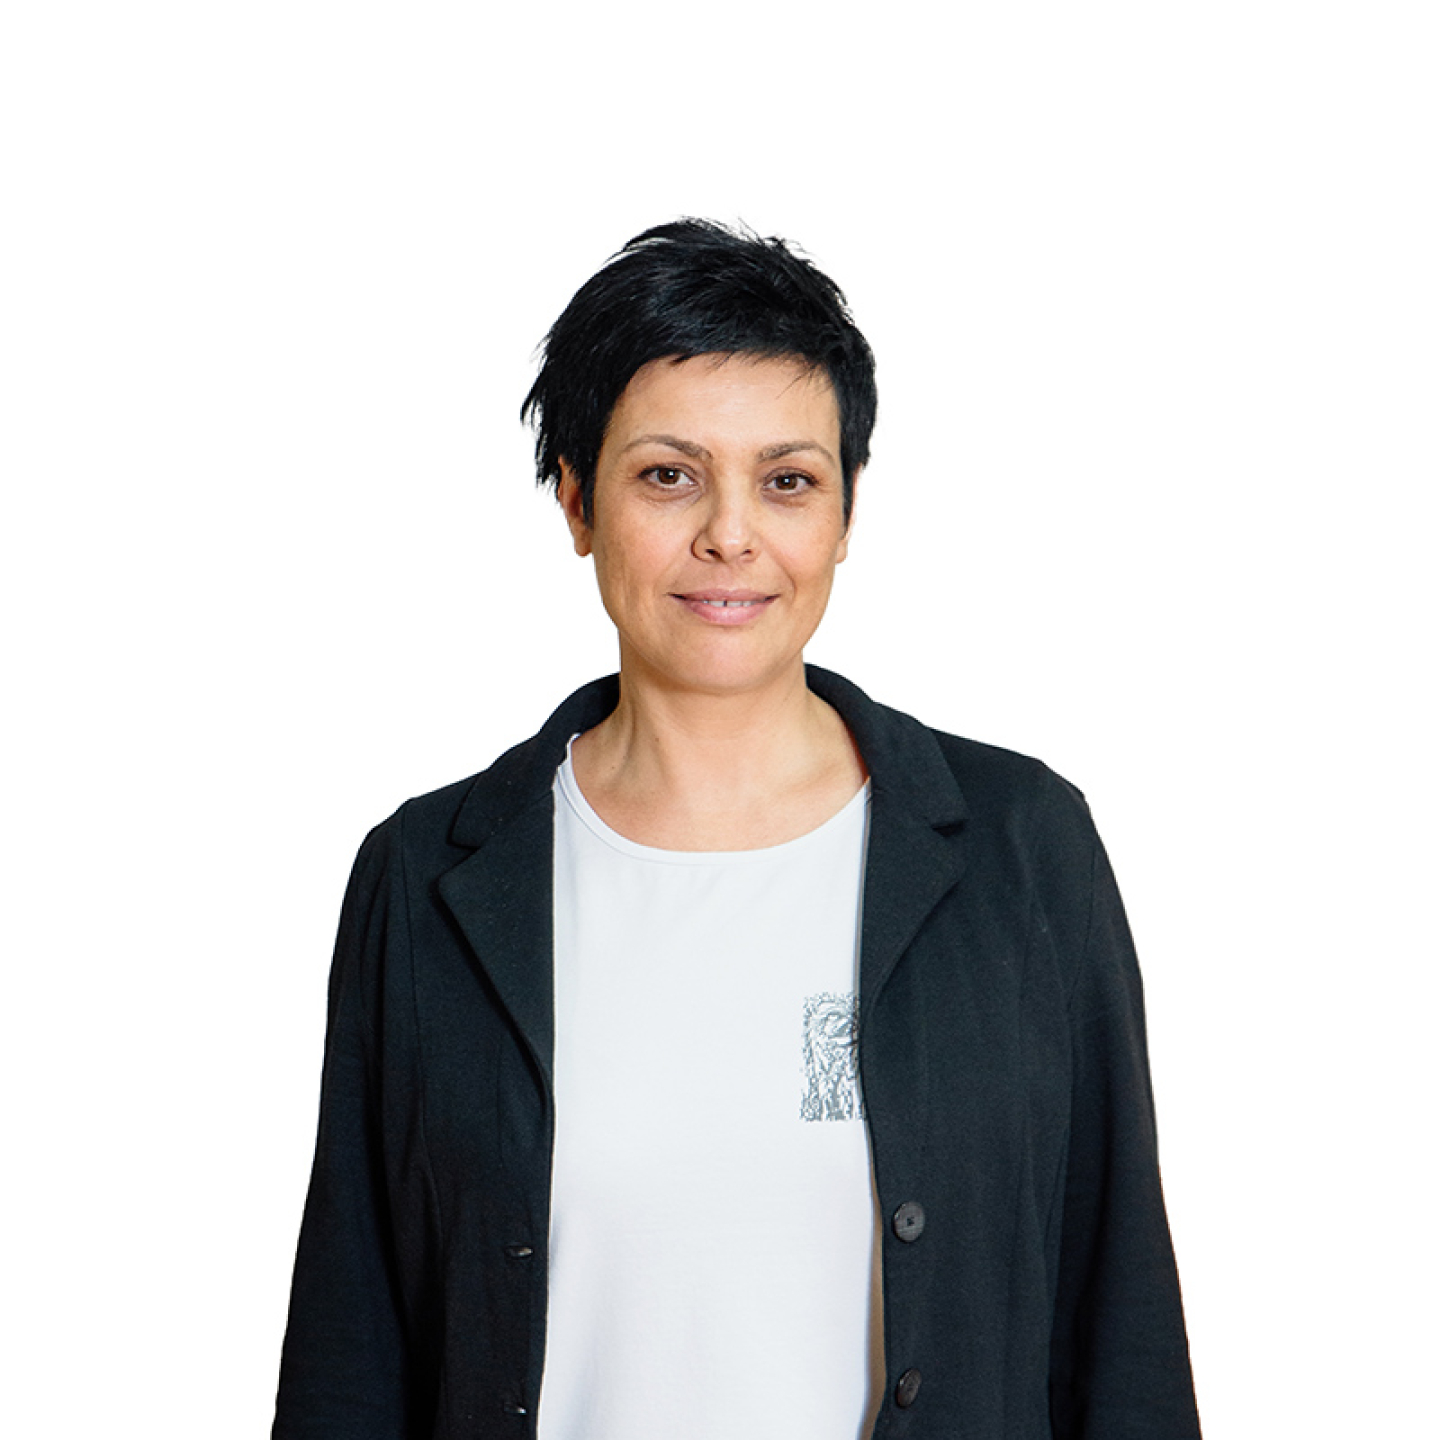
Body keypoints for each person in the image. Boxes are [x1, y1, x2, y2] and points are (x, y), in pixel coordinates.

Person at [272, 219, 1202, 1440]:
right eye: (668, 475)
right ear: (576, 500)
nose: (730, 534)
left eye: (788, 480)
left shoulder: (1021, 849)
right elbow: (350, 1352)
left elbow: (1118, 1319)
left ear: (846, 512)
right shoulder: (425, 877)